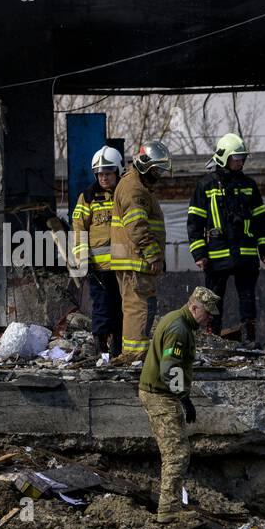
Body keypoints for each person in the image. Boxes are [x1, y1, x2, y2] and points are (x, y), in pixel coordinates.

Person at [138, 286, 221, 523]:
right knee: (177, 453)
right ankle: (168, 510)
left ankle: (171, 505)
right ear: (194, 307)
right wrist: (184, 397)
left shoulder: (179, 321)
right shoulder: (179, 328)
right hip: (160, 395)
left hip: (162, 393)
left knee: (175, 451)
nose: (209, 318)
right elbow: (169, 369)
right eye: (207, 313)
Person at [186, 133, 265, 343]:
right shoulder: (205, 186)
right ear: (224, 157)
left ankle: (249, 340)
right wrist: (199, 253)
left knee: (247, 299)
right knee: (213, 300)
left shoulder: (249, 185)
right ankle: (212, 339)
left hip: (246, 254)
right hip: (216, 256)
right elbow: (194, 222)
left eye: (242, 158)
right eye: (236, 158)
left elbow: (261, 220)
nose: (240, 161)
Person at [111, 140, 171, 362]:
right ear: (145, 164)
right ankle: (136, 353)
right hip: (135, 259)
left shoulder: (138, 186)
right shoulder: (133, 189)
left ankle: (135, 352)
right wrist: (153, 253)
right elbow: (137, 226)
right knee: (139, 306)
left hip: (134, 258)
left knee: (138, 305)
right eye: (157, 168)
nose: (160, 174)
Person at [71, 146, 124, 357]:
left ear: (118, 172)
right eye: (100, 174)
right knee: (102, 310)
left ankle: (119, 350)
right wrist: (83, 260)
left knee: (123, 310)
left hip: (124, 267)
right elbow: (79, 228)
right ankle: (101, 349)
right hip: (99, 269)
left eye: (108, 174)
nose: (103, 178)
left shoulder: (125, 195)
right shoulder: (88, 197)